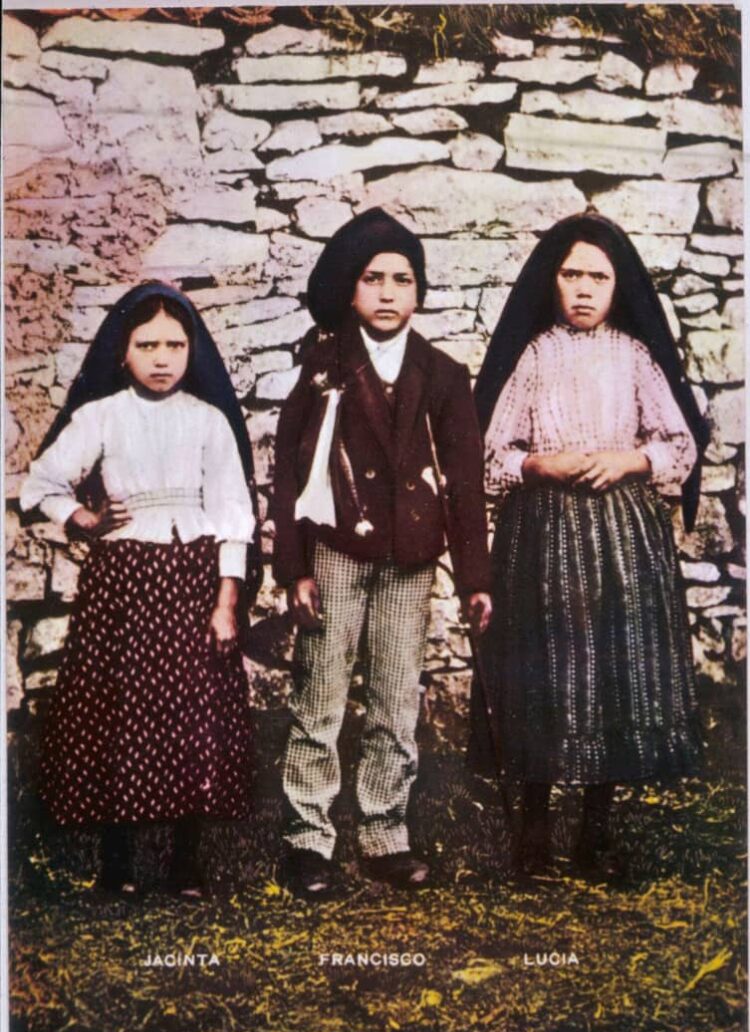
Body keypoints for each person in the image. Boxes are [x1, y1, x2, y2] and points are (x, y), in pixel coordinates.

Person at [472, 212, 708, 879]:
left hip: (622, 534)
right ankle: (536, 837)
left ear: (618, 286)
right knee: (548, 670)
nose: (582, 289)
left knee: (614, 672)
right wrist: (538, 466)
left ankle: (596, 836)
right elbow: (495, 450)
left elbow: (679, 441)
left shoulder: (634, 357)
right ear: (552, 281)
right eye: (571, 273)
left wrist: (631, 461)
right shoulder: (537, 354)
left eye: (597, 277)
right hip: (543, 533)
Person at [273, 208, 492, 897]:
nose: (389, 292)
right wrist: (295, 567)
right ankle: (308, 838)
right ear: (351, 291)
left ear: (420, 292)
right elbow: (290, 470)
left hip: (412, 558)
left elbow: (465, 480)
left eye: (403, 279)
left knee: (397, 695)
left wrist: (475, 577)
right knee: (322, 689)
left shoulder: (445, 374)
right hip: (337, 549)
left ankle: (384, 831)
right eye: (374, 279)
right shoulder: (325, 365)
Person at [21, 281, 260, 898]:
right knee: (118, 709)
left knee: (191, 711)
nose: (162, 358)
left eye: (175, 345)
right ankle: (118, 862)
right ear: (121, 352)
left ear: (192, 351)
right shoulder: (101, 416)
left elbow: (233, 513)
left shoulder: (208, 422)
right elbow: (43, 481)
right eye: (147, 344)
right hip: (121, 582)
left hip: (191, 579)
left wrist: (226, 602)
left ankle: (186, 861)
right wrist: (85, 519)